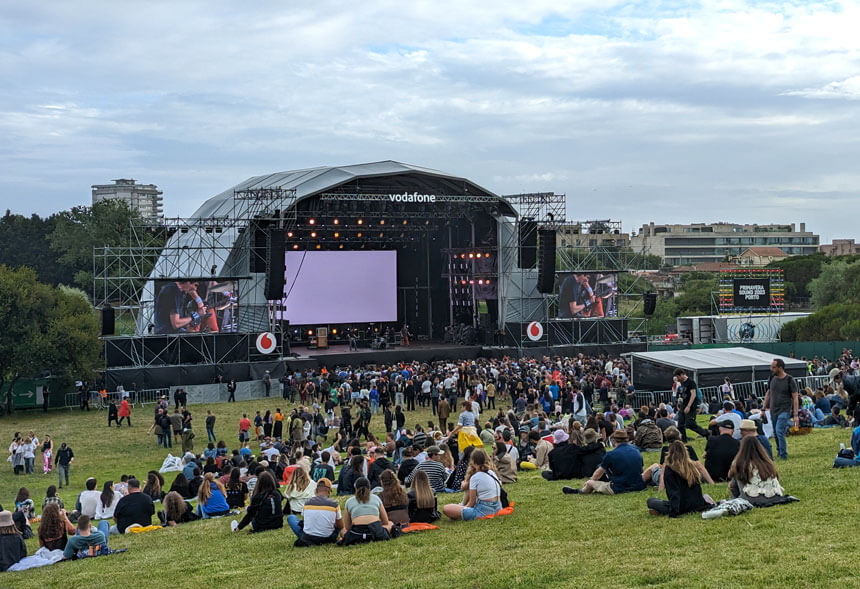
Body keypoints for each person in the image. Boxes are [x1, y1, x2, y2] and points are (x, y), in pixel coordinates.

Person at [563, 430, 646, 495]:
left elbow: (598, 474)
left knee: (590, 482)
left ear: (614, 440)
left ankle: (580, 491)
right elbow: (641, 470)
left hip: (619, 487)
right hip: (638, 486)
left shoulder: (611, 454)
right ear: (627, 439)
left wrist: (590, 481)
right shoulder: (637, 451)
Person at [646, 440, 711, 517]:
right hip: (697, 505)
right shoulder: (692, 466)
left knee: (651, 501)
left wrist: (673, 513)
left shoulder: (670, 470)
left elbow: (674, 493)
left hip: (681, 507)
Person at [727, 436, 795, 507]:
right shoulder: (767, 463)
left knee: (735, 480)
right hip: (773, 497)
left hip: (751, 499)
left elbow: (733, 486)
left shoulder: (740, 463)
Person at [443, 449, 502, 521]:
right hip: (498, 508)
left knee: (446, 508)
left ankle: (460, 509)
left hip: (483, 511)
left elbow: (471, 503)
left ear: (473, 461)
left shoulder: (475, 477)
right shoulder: (491, 472)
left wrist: (463, 509)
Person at [762, 358, 799, 460]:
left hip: (785, 410)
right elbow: (768, 393)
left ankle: (783, 455)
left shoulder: (789, 380)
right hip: (773, 410)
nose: (771, 369)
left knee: (779, 431)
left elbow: (795, 397)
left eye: (773, 367)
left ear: (780, 368)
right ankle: (779, 451)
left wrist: (796, 415)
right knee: (775, 432)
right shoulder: (771, 378)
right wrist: (763, 409)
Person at [289, 478, 343, 547]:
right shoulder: (334, 504)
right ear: (329, 491)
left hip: (307, 538)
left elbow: (304, 522)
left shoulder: (307, 503)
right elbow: (340, 526)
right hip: (328, 538)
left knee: (291, 518)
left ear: (316, 490)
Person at [339, 477, 393, 545]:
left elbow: (347, 527)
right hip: (376, 533)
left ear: (355, 488)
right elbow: (385, 521)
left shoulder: (349, 501)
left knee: (342, 531)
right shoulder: (376, 498)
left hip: (356, 533)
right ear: (369, 488)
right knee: (390, 524)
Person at [674, 368, 709, 441]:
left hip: (691, 405)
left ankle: (706, 433)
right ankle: (683, 441)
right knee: (680, 424)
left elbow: (693, 394)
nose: (677, 379)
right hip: (684, 405)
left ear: (682, 375)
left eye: (677, 377)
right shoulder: (682, 382)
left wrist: (688, 406)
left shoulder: (691, 382)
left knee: (690, 424)